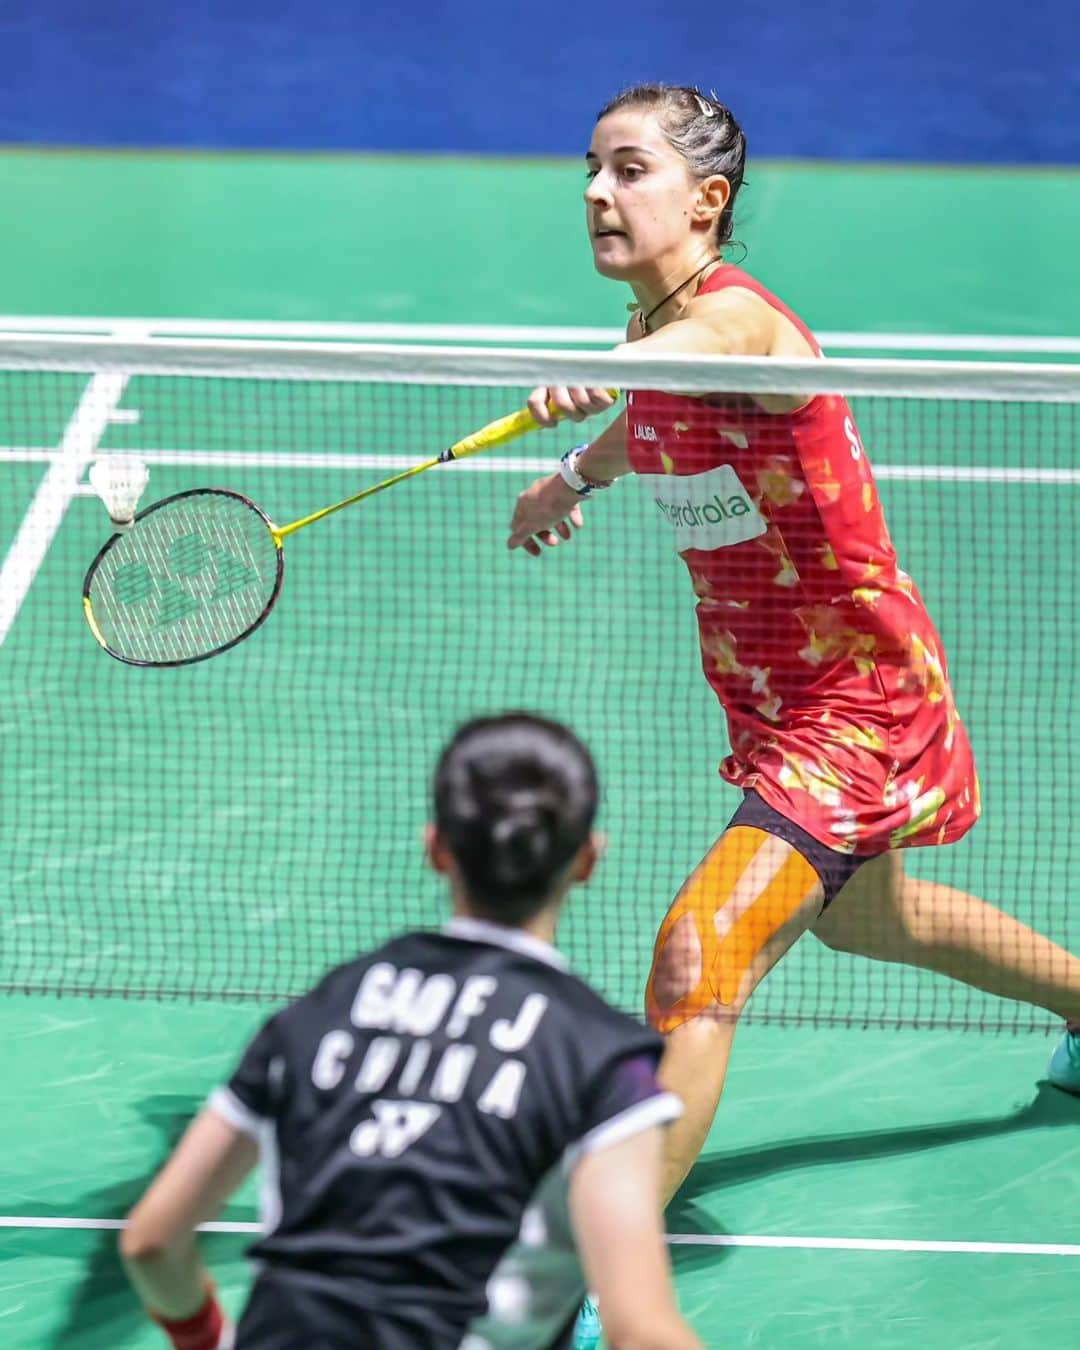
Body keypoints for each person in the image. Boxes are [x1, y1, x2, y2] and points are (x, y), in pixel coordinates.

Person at [505, 81, 1080, 1342]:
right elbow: (646, 416)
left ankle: (607, 1282)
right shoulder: (655, 337)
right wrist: (567, 475)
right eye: (590, 170)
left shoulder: (740, 324)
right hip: (776, 700)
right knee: (876, 917)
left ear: (707, 200)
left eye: (631, 170)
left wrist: (592, 376)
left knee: (697, 958)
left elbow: (695, 362)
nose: (599, 193)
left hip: (858, 702)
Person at [120, 713, 702, 1350]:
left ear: (436, 848)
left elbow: (152, 1243)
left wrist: (205, 1339)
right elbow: (643, 1333)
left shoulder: (318, 1014)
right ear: (589, 859)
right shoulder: (596, 1059)